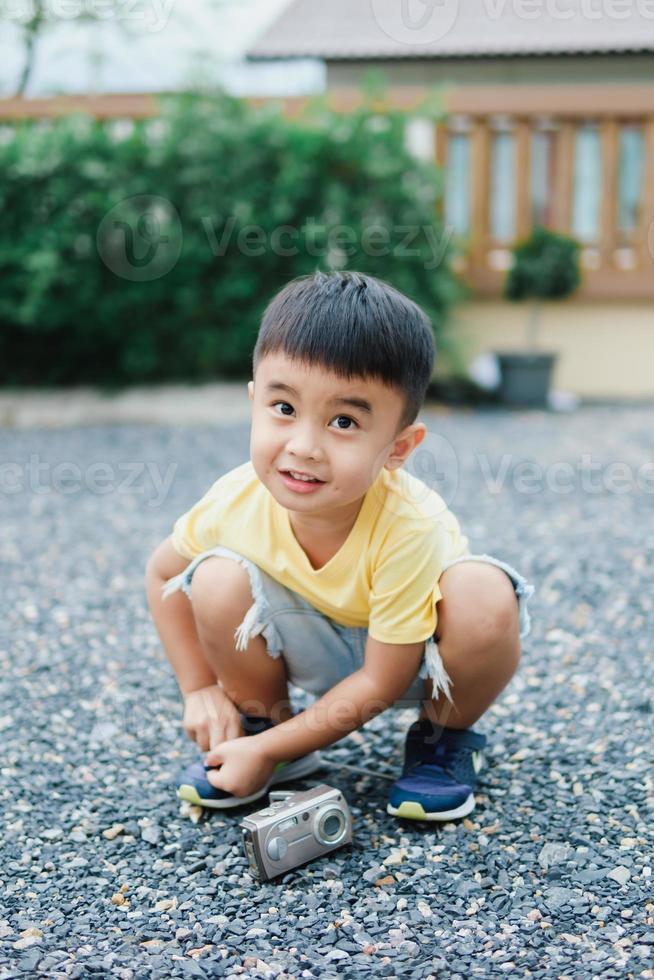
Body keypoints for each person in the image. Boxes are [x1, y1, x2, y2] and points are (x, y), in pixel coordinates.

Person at [145, 270, 534, 822]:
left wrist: (260, 755)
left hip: (418, 660)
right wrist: (199, 688)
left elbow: (383, 680)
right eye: (284, 409)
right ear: (254, 401)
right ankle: (273, 730)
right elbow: (163, 576)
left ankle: (441, 741)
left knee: (483, 594)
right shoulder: (236, 497)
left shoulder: (409, 523)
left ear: (398, 447)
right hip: (309, 641)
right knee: (211, 577)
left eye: (344, 421)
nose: (304, 447)